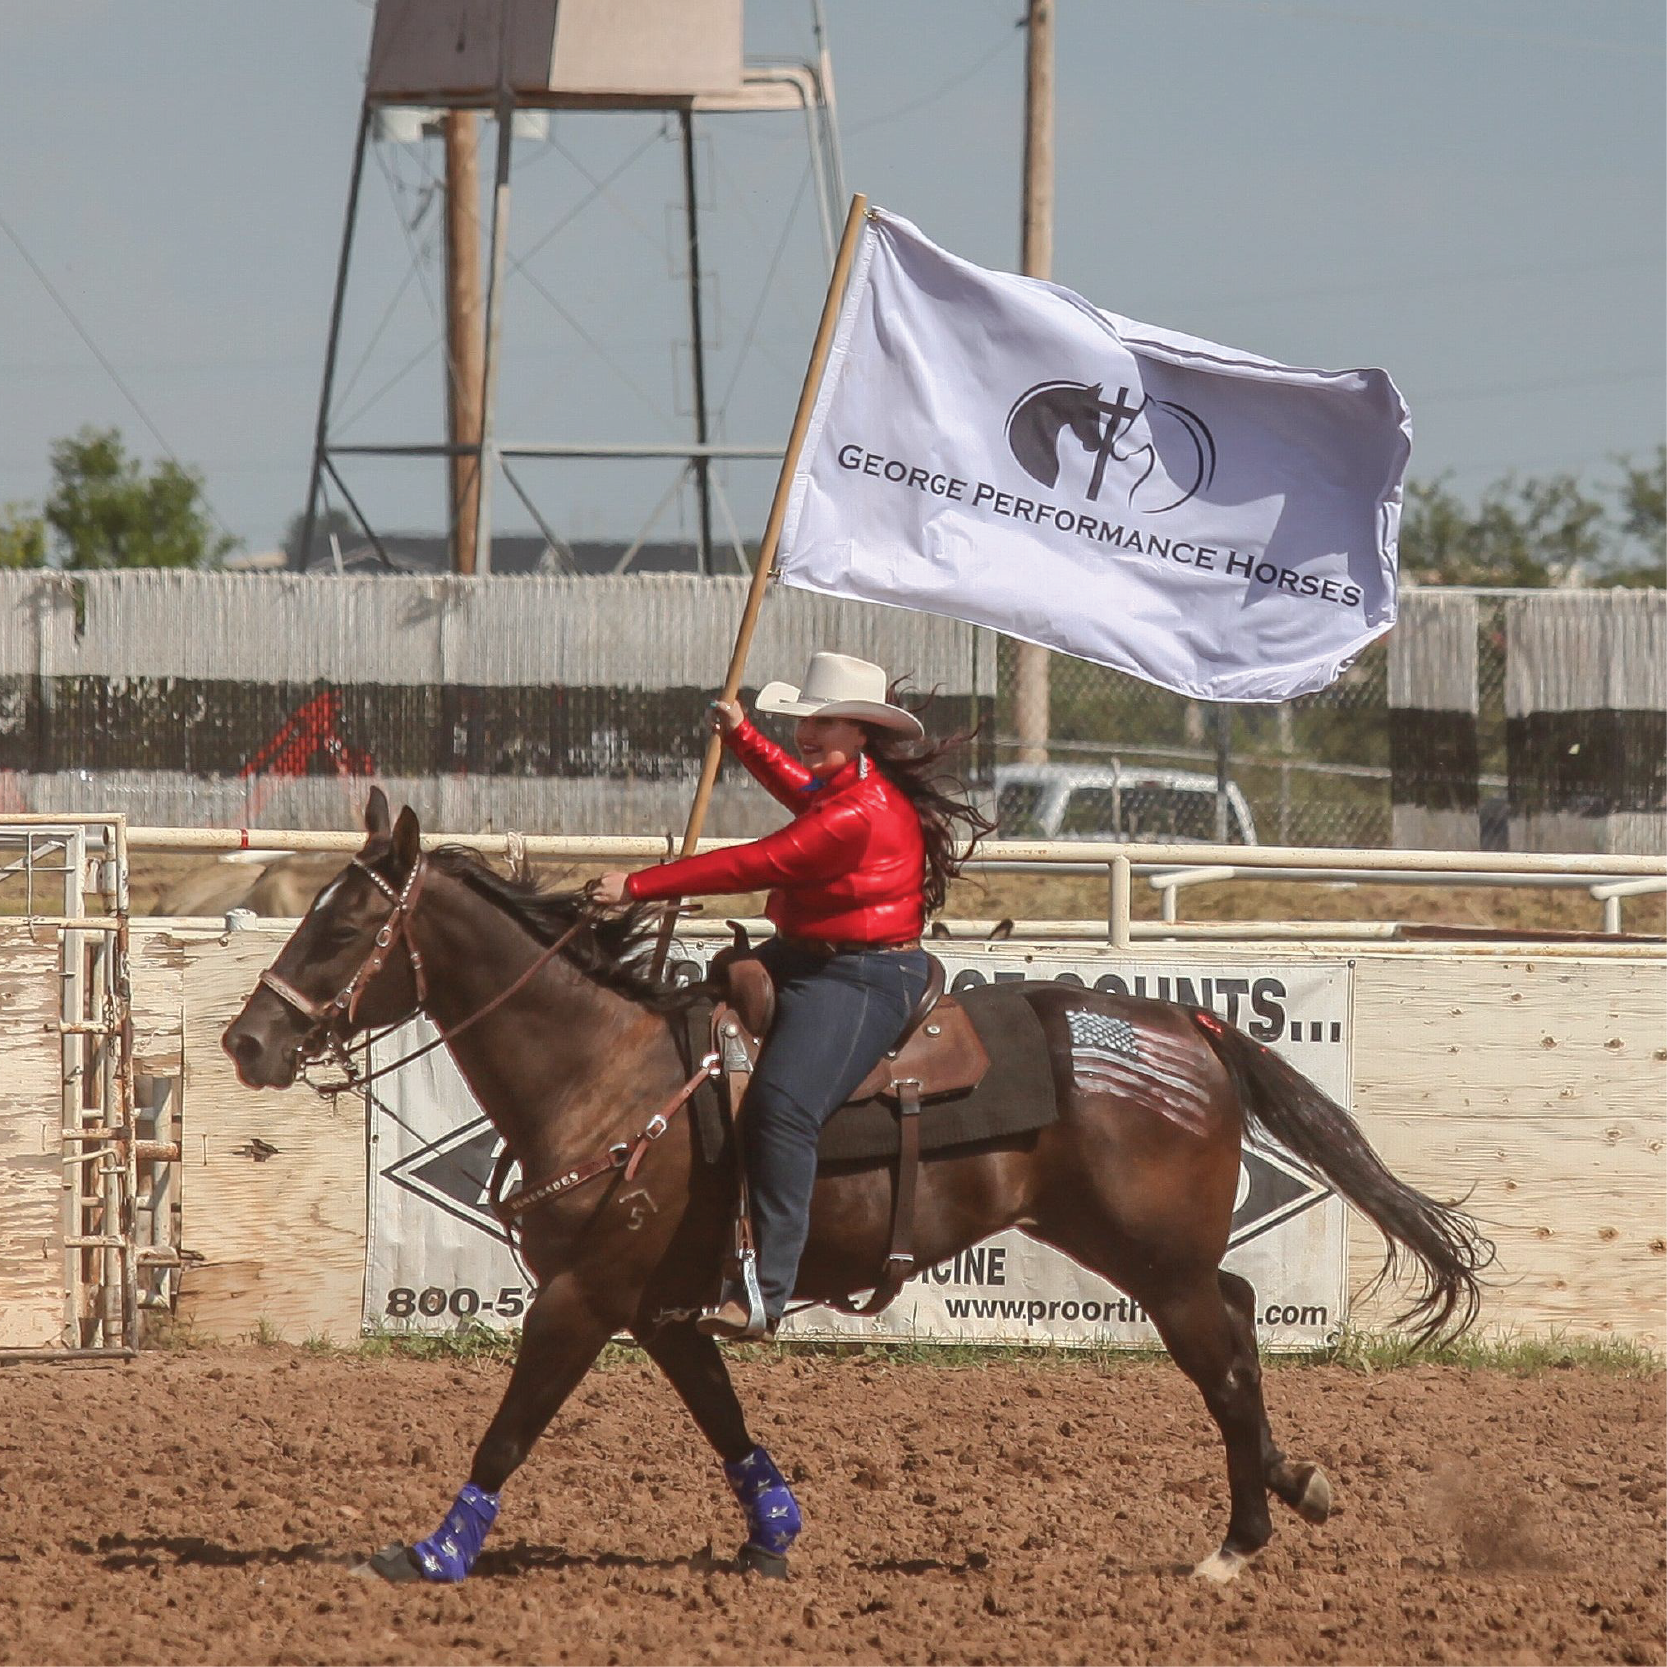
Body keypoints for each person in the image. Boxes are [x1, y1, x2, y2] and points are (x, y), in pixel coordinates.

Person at [592, 651, 992, 1339]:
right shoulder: (847, 786)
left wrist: (637, 885)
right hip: (809, 956)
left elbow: (760, 861)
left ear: (862, 731)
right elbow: (802, 790)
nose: (810, 732)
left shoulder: (859, 810)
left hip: (863, 976)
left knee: (781, 1107)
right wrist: (744, 735)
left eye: (827, 721)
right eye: (806, 718)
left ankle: (765, 1287)